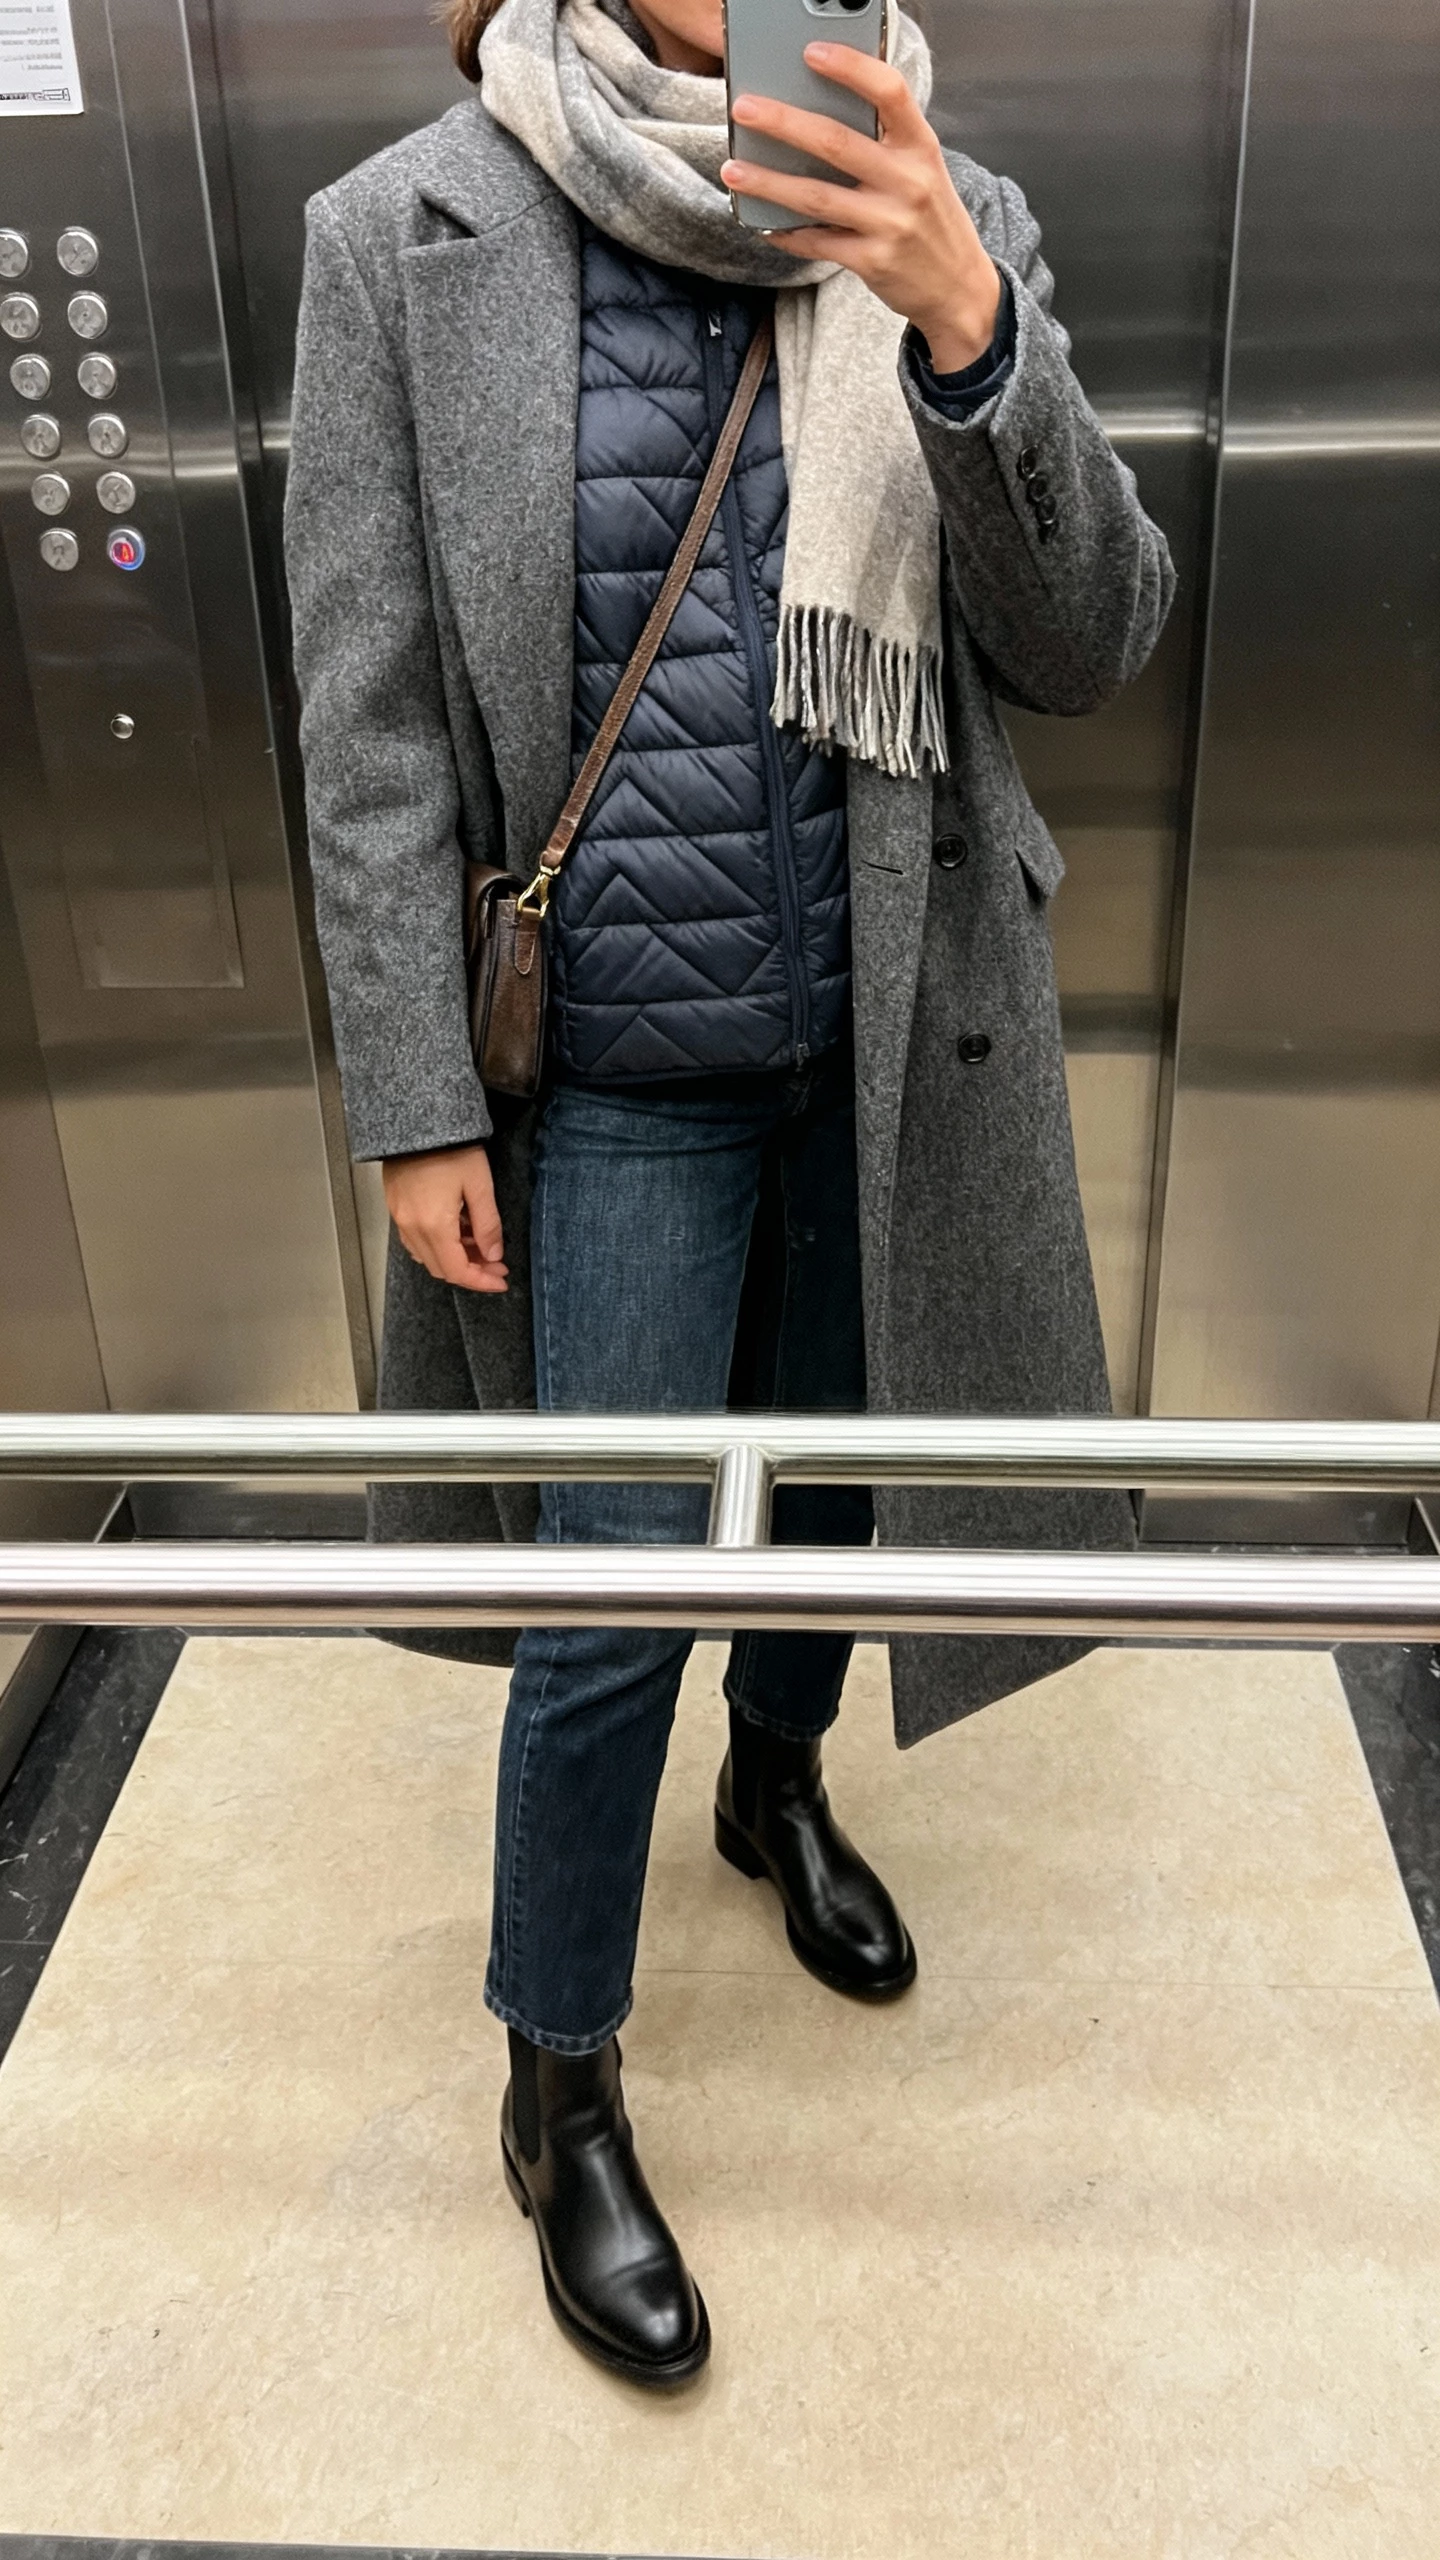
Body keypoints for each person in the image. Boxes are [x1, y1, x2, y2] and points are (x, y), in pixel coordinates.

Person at [284, 0, 1174, 2390]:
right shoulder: (403, 232)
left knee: (836, 1495)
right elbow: (364, 720)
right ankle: (555, 2064)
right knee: (611, 1596)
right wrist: (410, 1098)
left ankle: (777, 1786)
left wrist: (968, 340)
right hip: (612, 1086)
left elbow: (1090, 640)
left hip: (891, 1045)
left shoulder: (937, 209)